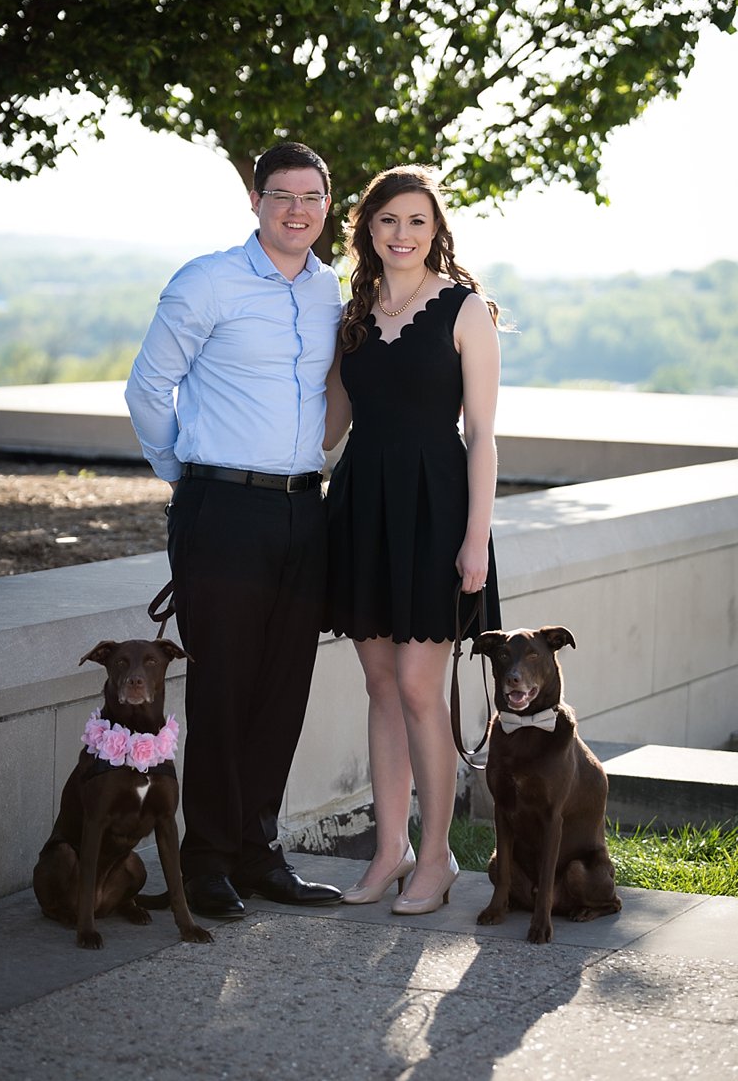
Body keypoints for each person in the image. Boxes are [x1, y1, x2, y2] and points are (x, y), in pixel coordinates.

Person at [125, 141, 344, 918]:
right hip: (220, 508)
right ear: (255, 202)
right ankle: (208, 859)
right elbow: (149, 387)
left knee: (284, 690)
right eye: (282, 196)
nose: (297, 210)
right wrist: (183, 474)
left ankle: (259, 852)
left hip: (301, 509)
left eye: (312, 197)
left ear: (328, 204)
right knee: (220, 686)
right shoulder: (207, 281)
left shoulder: (332, 291)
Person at [323, 165, 502, 914]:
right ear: (367, 227)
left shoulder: (465, 310)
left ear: (437, 231)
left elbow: (484, 438)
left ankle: (438, 858)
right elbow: (330, 430)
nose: (402, 234)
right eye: (388, 220)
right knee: (381, 686)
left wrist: (476, 541)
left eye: (417, 221)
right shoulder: (351, 315)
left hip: (437, 509)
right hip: (362, 506)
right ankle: (390, 849)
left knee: (424, 689)